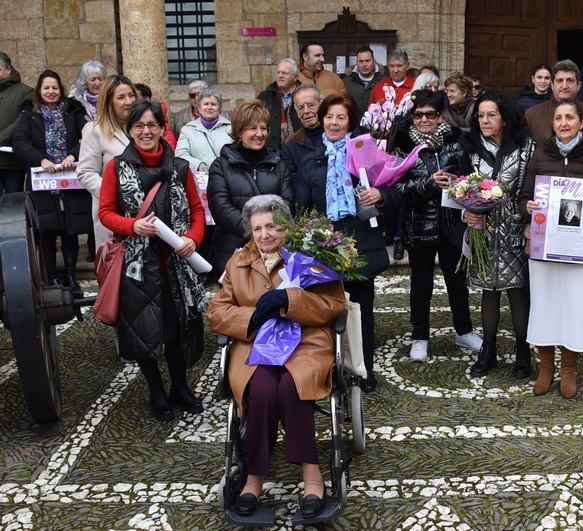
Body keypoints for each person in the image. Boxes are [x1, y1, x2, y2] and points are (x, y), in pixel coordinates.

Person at [207, 195, 345, 519]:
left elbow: (333, 305)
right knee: (263, 389)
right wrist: (251, 317)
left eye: (271, 226)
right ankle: (254, 478)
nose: (264, 234)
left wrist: (289, 300)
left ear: (286, 226)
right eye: (257, 228)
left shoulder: (310, 254)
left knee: (292, 386)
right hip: (257, 344)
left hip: (306, 341)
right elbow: (217, 311)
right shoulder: (238, 263)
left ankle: (313, 477)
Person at [97, 99, 208, 420]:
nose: (146, 131)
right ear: (130, 130)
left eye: (152, 125)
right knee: (143, 333)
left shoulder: (180, 167)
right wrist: (132, 226)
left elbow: (197, 210)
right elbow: (106, 213)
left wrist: (193, 239)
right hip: (136, 269)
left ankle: (179, 387)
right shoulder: (116, 167)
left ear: (162, 129)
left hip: (174, 267)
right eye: (139, 126)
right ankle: (156, 391)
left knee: (175, 332)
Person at [293, 93, 398, 392]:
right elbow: (301, 209)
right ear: (322, 120)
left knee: (361, 311)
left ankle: (364, 368)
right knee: (325, 311)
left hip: (360, 245)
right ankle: (330, 369)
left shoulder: (365, 152)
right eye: (329, 117)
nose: (334, 123)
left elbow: (394, 195)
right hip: (324, 248)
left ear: (350, 121)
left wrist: (381, 195)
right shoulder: (311, 160)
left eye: (341, 117)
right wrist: (309, 236)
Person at [520, 100, 583, 397]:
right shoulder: (539, 154)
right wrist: (528, 206)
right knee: (544, 306)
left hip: (579, 247)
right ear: (553, 124)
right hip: (544, 246)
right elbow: (523, 197)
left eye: (570, 117)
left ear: (581, 123)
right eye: (559, 118)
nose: (564, 123)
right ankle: (546, 367)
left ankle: (569, 369)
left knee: (575, 307)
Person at [390, 89, 483, 362]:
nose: (424, 119)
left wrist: (460, 186)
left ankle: (464, 331)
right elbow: (398, 191)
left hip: (452, 224)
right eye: (418, 114)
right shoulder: (403, 147)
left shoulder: (456, 143)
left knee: (457, 283)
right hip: (419, 226)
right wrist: (430, 183)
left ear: (440, 116)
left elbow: (470, 179)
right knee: (421, 286)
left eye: (430, 114)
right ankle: (420, 337)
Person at [460, 91, 535, 376]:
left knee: (517, 290)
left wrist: (527, 217)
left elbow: (530, 190)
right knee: (488, 290)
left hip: (515, 228)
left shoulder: (525, 149)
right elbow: (461, 189)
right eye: (480, 115)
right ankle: (488, 350)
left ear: (504, 118)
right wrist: (466, 213)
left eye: (491, 114)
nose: (485, 120)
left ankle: (523, 350)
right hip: (483, 232)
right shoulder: (470, 149)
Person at [13, 70, 91, 292]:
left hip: (70, 180)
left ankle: (70, 277)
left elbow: (88, 137)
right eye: (46, 87)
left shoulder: (73, 110)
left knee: (70, 228)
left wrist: (73, 155)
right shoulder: (30, 113)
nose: (51, 91)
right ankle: (52, 279)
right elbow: (19, 142)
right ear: (39, 90)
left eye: (54, 87)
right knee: (47, 228)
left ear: (60, 89)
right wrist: (41, 159)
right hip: (43, 181)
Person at [207, 99, 294, 281]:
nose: (259, 134)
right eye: (252, 128)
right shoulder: (221, 166)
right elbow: (221, 209)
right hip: (231, 252)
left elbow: (287, 206)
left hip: (273, 254)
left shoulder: (280, 165)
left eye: (263, 128)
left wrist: (267, 234)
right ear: (239, 131)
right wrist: (258, 231)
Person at [76, 75, 138, 252]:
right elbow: (86, 172)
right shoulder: (94, 130)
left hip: (145, 214)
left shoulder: (144, 128)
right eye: (121, 97)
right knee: (116, 264)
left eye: (131, 95)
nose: (129, 101)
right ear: (109, 101)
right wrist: (116, 193)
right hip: (113, 213)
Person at [525, 60, 583, 148]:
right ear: (552, 85)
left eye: (570, 80)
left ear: (578, 86)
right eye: (559, 80)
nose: (564, 86)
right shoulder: (532, 115)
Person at [175, 88, 232, 172]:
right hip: (197, 177)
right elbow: (180, 155)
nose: (209, 107)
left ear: (219, 109)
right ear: (199, 108)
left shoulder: (231, 129)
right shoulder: (188, 130)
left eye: (213, 104)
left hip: (225, 176)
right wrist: (197, 164)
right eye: (206, 104)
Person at [0, 52, 33, 197]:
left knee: (13, 203)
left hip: (12, 161)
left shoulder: (26, 92)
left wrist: (1, 138)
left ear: (9, 69)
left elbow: (22, 120)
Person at [257, 58, 302, 150]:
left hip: (300, 148)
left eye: (285, 73)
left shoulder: (305, 95)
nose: (280, 76)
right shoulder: (264, 97)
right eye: (278, 72)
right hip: (270, 150)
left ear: (295, 77)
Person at [134, 83, 177, 151]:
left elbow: (169, 150)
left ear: (147, 99)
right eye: (139, 126)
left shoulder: (161, 123)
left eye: (152, 125)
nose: (129, 102)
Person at [343, 46, 386, 113]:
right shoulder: (346, 82)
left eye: (367, 61)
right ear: (357, 63)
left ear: (374, 62)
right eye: (361, 61)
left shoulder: (385, 82)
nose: (364, 64)